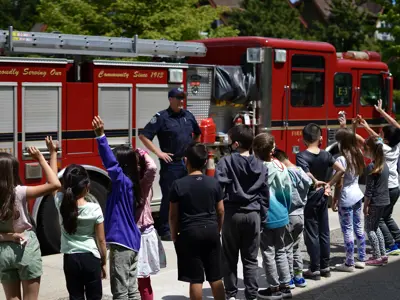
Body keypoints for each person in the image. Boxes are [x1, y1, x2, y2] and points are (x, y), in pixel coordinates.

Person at [0, 140, 61, 300]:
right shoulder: (20, 192)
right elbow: (54, 184)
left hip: (2, 251)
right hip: (25, 247)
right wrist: (42, 157)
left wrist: (8, 237)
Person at [139, 87, 201, 241]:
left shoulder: (188, 116)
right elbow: (144, 136)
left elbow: (198, 134)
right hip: (171, 164)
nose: (181, 101)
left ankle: (183, 224)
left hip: (186, 163)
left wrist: (192, 151)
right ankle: (165, 229)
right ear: (170, 99)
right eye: (178, 98)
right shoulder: (162, 117)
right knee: (169, 196)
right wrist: (159, 153)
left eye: (183, 98)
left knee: (187, 194)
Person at [215, 125, 269, 300]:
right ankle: (251, 295)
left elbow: (218, 189)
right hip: (254, 214)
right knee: (251, 259)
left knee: (229, 257)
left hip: (232, 214)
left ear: (236, 143)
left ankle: (231, 294)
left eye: (230, 141)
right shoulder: (261, 165)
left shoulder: (226, 162)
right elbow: (265, 194)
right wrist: (263, 216)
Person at [92, 116, 142, 300]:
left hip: (121, 245)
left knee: (120, 292)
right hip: (133, 242)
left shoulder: (121, 182)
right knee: (132, 290)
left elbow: (111, 164)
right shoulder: (132, 183)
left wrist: (101, 136)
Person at [49, 147, 107, 300]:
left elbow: (53, 182)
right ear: (86, 186)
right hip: (91, 258)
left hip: (71, 259)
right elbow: (101, 240)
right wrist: (103, 262)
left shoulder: (61, 203)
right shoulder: (94, 209)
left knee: (75, 296)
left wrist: (53, 154)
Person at [169, 143, 225, 300]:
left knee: (195, 279)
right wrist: (218, 229)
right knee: (216, 277)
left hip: (189, 233)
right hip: (211, 231)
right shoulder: (214, 183)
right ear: (205, 162)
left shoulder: (178, 185)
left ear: (186, 160)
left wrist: (174, 235)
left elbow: (173, 215)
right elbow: (220, 211)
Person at [296, 123, 345, 280]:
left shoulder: (302, 156)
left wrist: (316, 182)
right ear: (320, 138)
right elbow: (341, 170)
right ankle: (325, 267)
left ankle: (314, 268)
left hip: (310, 196)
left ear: (304, 139)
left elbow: (306, 174)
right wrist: (328, 184)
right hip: (324, 195)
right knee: (324, 231)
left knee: (311, 233)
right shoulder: (326, 154)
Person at [252, 133, 292, 300]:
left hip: (267, 215)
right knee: (281, 250)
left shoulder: (257, 168)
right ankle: (286, 286)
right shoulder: (280, 165)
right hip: (282, 213)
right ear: (272, 150)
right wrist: (286, 209)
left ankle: (274, 288)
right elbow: (288, 190)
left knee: (268, 253)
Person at [357, 99, 400, 255]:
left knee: (380, 218)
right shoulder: (397, 144)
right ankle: (398, 239)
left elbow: (376, 139)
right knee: (387, 216)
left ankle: (391, 245)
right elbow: (396, 126)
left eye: (382, 133)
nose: (379, 134)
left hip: (386, 189)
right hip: (395, 187)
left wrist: (366, 126)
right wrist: (382, 112)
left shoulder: (385, 149)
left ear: (386, 140)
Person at [274, 149, 312, 289]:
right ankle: (299, 276)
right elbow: (309, 183)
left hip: (289, 214)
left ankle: (289, 277)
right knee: (296, 247)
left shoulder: (286, 173)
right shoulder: (301, 171)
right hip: (301, 214)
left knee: (286, 248)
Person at [332, 128, 367, 272]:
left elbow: (339, 182)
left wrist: (335, 198)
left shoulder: (341, 159)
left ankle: (349, 262)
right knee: (359, 226)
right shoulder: (357, 153)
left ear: (341, 143)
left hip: (346, 197)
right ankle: (362, 258)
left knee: (347, 229)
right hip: (358, 194)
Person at [135, 148, 166, 300]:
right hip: (142, 235)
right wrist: (143, 154)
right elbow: (152, 167)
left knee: (141, 281)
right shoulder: (141, 185)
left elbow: (152, 168)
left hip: (142, 236)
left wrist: (142, 154)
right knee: (142, 282)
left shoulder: (139, 185)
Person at [363, 136, 390, 266]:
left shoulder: (371, 167)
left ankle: (377, 255)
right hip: (384, 200)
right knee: (376, 226)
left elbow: (369, 190)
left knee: (369, 229)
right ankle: (383, 254)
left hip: (375, 202)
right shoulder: (384, 165)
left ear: (369, 149)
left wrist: (366, 205)